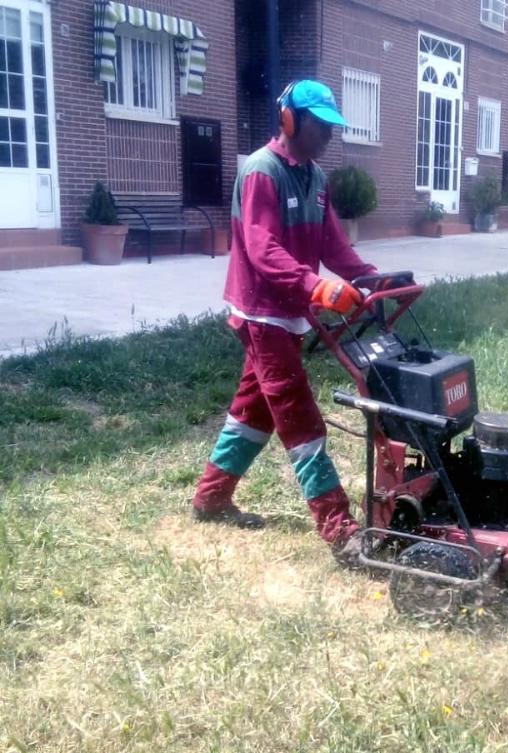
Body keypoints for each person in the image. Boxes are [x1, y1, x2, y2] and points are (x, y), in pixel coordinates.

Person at [191, 79, 374, 562]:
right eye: (319, 126)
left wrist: (369, 278)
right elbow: (261, 249)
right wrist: (316, 286)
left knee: (253, 410)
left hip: (290, 312)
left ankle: (210, 498)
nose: (327, 136)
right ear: (290, 120)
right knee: (298, 415)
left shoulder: (316, 179)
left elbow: (333, 246)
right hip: (260, 312)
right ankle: (338, 527)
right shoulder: (261, 172)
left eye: (333, 128)